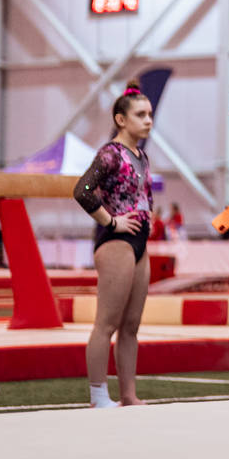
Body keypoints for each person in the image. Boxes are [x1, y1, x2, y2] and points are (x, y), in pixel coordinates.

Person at [74, 85, 157, 408]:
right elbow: (82, 190)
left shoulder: (142, 155)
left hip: (140, 243)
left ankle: (128, 394)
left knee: (131, 325)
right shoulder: (110, 153)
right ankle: (98, 394)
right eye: (140, 115)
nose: (148, 120)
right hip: (116, 243)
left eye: (150, 114)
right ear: (120, 119)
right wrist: (111, 221)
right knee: (106, 323)